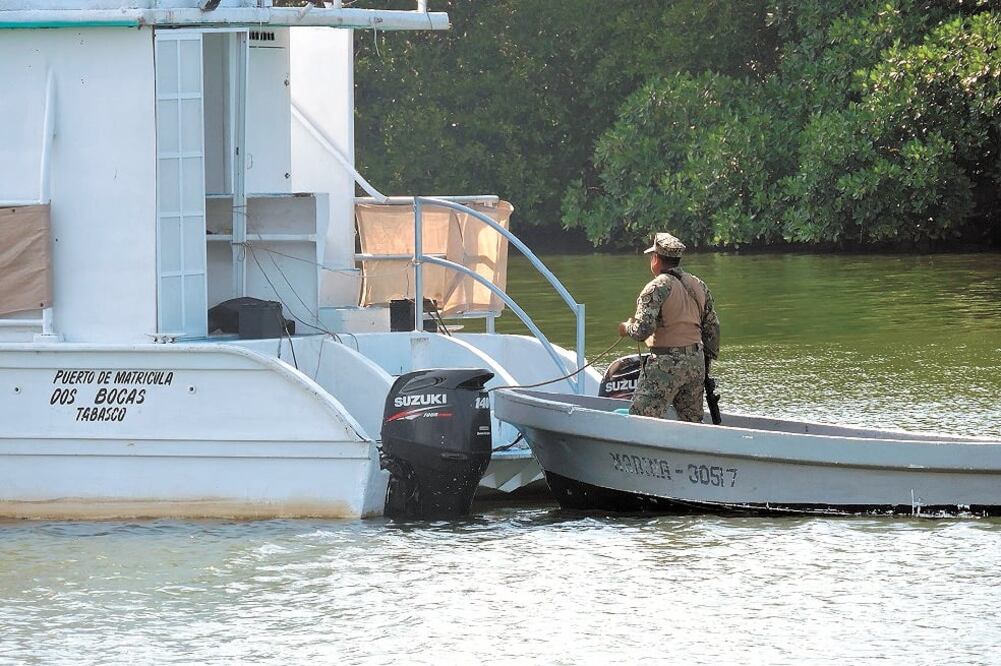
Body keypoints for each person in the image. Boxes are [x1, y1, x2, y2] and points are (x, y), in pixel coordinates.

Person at [617, 232, 720, 422]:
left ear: (656, 259)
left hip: (666, 364)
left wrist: (626, 328)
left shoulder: (656, 287)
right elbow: (712, 330)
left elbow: (642, 331)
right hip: (696, 362)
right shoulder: (699, 285)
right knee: (692, 422)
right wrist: (704, 365)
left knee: (641, 420)